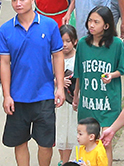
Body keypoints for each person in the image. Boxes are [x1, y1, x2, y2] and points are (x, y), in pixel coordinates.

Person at [0, 0, 65, 166]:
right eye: (14, 0)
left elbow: (58, 56)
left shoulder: (49, 25)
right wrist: (7, 95)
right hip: (18, 96)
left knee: (45, 143)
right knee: (19, 141)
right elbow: (4, 63)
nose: (18, 4)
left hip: (44, 94)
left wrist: (59, 87)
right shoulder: (5, 30)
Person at [73, 6, 124, 135]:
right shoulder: (82, 44)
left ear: (106, 26)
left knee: (105, 142)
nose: (91, 25)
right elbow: (79, 73)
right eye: (90, 20)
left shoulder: (117, 44)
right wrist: (75, 96)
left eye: (96, 22)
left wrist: (111, 75)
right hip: (87, 103)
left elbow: (121, 70)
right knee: (88, 143)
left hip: (107, 104)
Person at [55, 25, 79, 163]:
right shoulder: (55, 57)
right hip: (59, 101)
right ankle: (62, 159)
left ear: (75, 41)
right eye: (62, 40)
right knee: (60, 129)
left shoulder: (78, 58)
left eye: (68, 41)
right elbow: (46, 76)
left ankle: (66, 161)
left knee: (72, 130)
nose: (64, 44)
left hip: (73, 101)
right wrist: (59, 81)